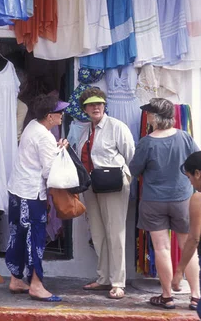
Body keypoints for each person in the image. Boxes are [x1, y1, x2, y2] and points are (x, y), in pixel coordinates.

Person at [129, 98, 200, 310]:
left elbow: (134, 170)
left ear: (154, 117)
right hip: (183, 199)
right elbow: (197, 161)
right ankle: (196, 296)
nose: (148, 117)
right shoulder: (184, 137)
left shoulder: (147, 142)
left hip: (154, 201)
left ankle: (167, 296)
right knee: (189, 247)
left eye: (149, 114)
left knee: (161, 248)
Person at [5, 94, 69, 302]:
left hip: (18, 190)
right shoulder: (45, 137)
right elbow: (50, 172)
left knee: (18, 236)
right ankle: (36, 284)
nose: (62, 115)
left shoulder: (32, 124)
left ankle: (16, 278)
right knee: (35, 239)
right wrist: (61, 152)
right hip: (31, 194)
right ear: (49, 116)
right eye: (59, 112)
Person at [75, 87, 135, 300]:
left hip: (113, 185)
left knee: (115, 232)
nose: (96, 107)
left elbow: (131, 156)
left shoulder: (117, 127)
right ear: (85, 108)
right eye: (91, 104)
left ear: (104, 104)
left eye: (99, 102)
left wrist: (124, 179)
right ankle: (103, 278)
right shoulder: (86, 131)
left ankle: (118, 281)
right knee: (99, 233)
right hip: (92, 186)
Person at [174, 151, 201, 318]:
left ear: (198, 174)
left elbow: (193, 238)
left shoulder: (200, 198)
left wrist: (179, 270)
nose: (190, 182)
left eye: (189, 177)